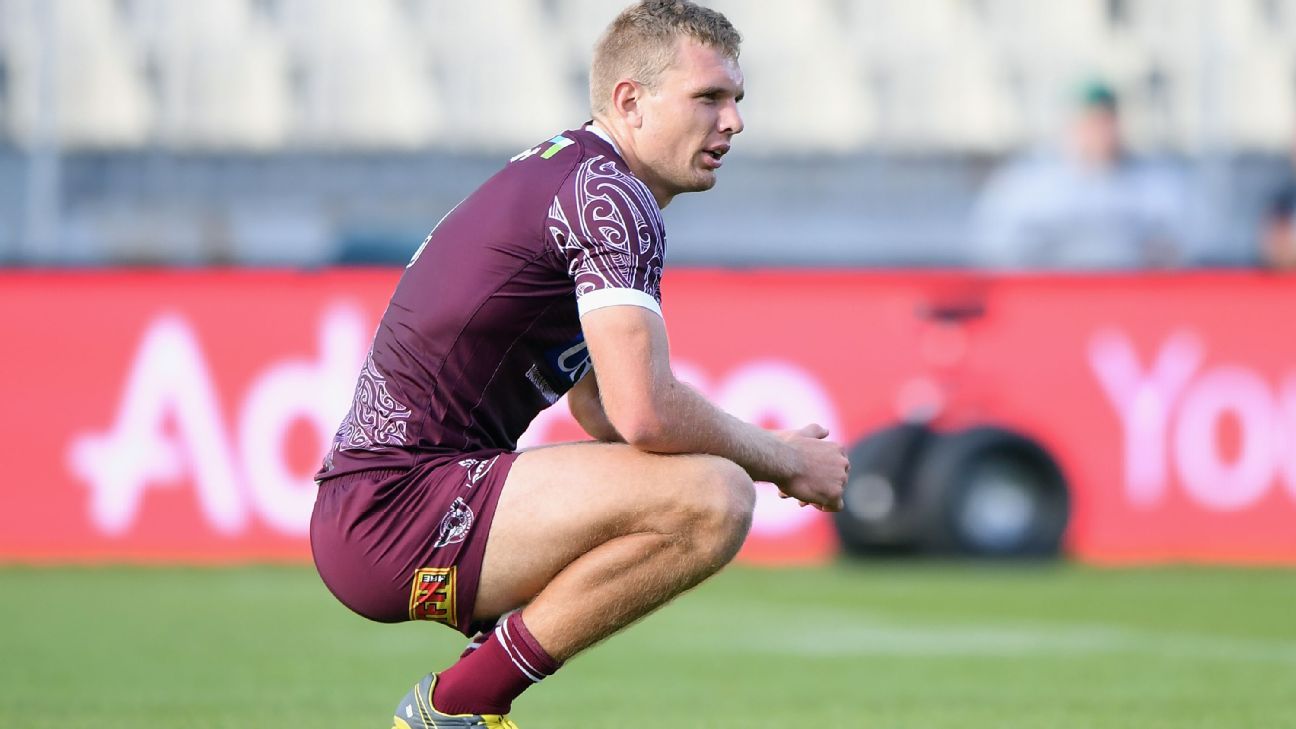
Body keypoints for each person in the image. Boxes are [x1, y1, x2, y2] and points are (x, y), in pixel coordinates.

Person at [309, 2, 850, 727]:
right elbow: (643, 413)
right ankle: (460, 704)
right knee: (715, 495)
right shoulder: (610, 197)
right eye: (708, 97)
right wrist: (783, 459)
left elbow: (598, 407)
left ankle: (474, 684)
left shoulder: (573, 174)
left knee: (692, 488)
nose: (734, 122)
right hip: (402, 508)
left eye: (736, 99)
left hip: (383, 504)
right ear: (630, 100)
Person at [970, 81, 1191, 270]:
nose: (1099, 133)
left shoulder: (1155, 183)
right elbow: (994, 249)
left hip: (1130, 297)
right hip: (1052, 297)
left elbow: (1184, 245)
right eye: (1089, 122)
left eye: (1106, 122)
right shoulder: (1025, 186)